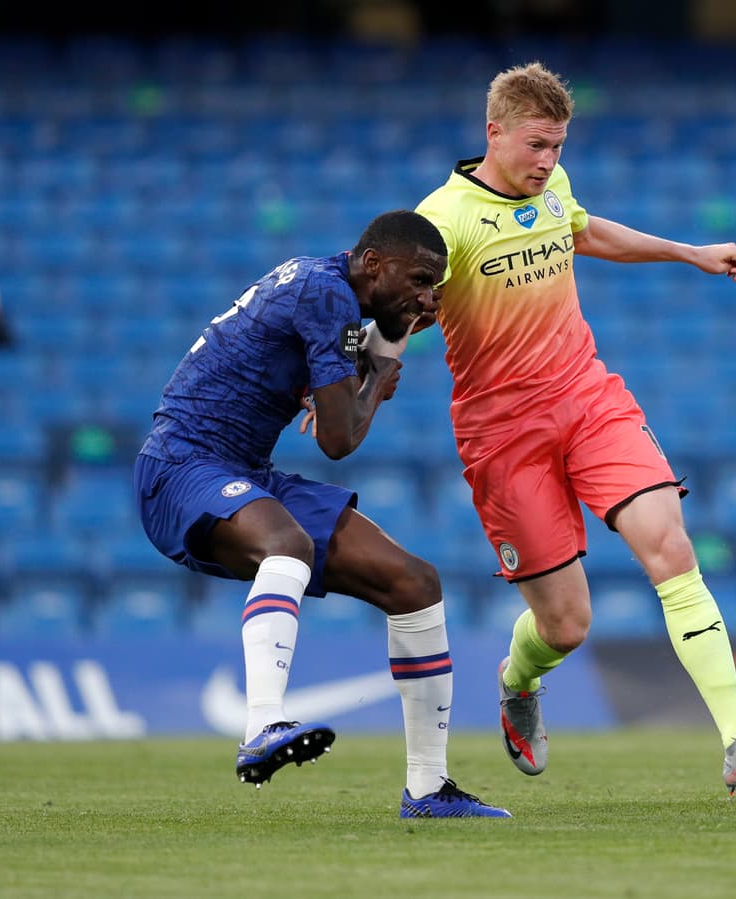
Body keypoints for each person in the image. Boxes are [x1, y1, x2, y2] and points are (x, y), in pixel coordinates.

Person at [413, 62, 736, 794]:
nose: (548, 162)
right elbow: (396, 304)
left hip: (588, 397)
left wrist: (689, 252)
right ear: (493, 133)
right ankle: (518, 680)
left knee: (671, 545)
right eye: (535, 145)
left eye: (558, 146)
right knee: (566, 625)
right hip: (502, 433)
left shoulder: (551, 188)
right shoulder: (444, 220)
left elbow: (586, 232)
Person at [134, 210, 509, 819]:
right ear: (373, 264)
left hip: (242, 468)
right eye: (416, 280)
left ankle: (428, 788)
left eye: (432, 287)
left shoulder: (327, 290)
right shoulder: (327, 294)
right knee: (287, 546)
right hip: (182, 464)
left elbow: (327, 399)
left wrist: (368, 363)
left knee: (414, 584)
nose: (425, 298)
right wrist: (376, 379)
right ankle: (262, 727)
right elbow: (339, 439)